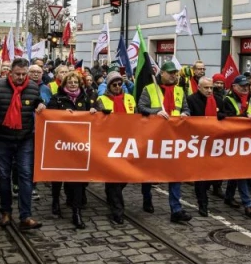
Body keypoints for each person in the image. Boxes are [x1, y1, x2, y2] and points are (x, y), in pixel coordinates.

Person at [0, 58, 44, 230]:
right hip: (2, 138)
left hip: (24, 139)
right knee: (3, 176)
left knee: (25, 175)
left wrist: (41, 104)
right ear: (10, 73)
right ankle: (6, 211)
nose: (20, 77)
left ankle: (25, 215)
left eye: (23, 74)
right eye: (17, 74)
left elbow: (39, 103)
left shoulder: (33, 88)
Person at [138, 61, 191, 223]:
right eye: (171, 73)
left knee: (175, 172)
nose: (174, 75)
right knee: (149, 172)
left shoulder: (181, 90)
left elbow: (185, 108)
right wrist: (156, 112)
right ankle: (147, 197)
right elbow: (141, 107)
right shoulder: (149, 88)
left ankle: (176, 209)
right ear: (162, 74)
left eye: (175, 73)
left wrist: (185, 114)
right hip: (154, 137)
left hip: (174, 137)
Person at [47, 72, 97, 229]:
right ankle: (55, 200)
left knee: (76, 177)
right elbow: (49, 117)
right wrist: (61, 115)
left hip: (79, 145)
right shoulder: (57, 99)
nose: (73, 84)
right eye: (70, 82)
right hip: (60, 144)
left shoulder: (85, 98)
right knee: (58, 175)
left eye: (76, 82)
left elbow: (93, 116)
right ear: (64, 84)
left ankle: (76, 212)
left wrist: (94, 112)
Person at [95, 71, 145, 223]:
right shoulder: (101, 99)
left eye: (119, 84)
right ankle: (118, 211)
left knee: (124, 176)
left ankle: (111, 193)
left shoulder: (129, 98)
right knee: (115, 176)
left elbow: (136, 116)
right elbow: (97, 121)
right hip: (109, 143)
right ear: (109, 86)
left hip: (127, 142)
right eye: (114, 84)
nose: (117, 87)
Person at [218, 76, 251, 217]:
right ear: (234, 86)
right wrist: (246, 117)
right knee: (241, 171)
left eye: (246, 85)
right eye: (242, 86)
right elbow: (230, 119)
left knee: (237, 171)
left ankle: (229, 197)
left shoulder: (249, 99)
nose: (245, 88)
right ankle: (248, 204)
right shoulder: (227, 100)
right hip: (232, 140)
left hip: (246, 140)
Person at [186, 77, 221, 217]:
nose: (209, 90)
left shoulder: (217, 99)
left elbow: (225, 115)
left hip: (214, 142)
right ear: (199, 87)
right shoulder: (191, 99)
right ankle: (203, 203)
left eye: (211, 88)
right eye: (206, 88)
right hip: (198, 142)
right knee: (201, 175)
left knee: (213, 174)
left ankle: (207, 190)